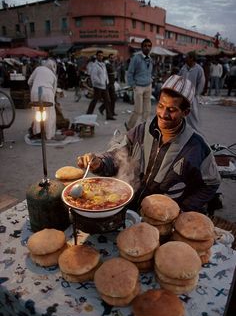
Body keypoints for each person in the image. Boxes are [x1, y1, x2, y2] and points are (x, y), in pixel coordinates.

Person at [77, 75, 221, 214]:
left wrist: (183, 209)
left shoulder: (197, 147)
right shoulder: (140, 131)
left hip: (162, 217)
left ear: (186, 112)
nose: (163, 114)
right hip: (130, 208)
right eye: (161, 106)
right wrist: (99, 162)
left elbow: (211, 183)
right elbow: (116, 157)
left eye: (171, 110)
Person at [125, 38, 153, 130]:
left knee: (147, 110)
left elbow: (149, 71)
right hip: (139, 87)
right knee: (138, 110)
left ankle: (143, 128)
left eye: (149, 46)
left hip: (148, 86)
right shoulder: (136, 58)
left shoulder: (150, 59)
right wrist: (133, 85)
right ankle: (129, 126)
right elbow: (130, 73)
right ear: (141, 47)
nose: (147, 48)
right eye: (145, 46)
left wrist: (150, 79)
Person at [28, 58, 57, 140]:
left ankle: (37, 132)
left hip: (35, 92)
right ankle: (48, 135)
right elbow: (54, 91)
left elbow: (29, 82)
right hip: (48, 93)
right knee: (49, 114)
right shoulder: (53, 75)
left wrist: (35, 85)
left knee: (36, 112)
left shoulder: (38, 69)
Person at [179, 51, 205, 132]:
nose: (185, 58)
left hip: (192, 95)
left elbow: (201, 82)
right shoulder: (183, 68)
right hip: (183, 95)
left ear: (191, 58)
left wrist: (196, 94)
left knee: (193, 114)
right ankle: (183, 130)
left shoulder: (199, 69)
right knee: (181, 114)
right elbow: (179, 79)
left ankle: (195, 132)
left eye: (187, 57)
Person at [86, 50, 115, 120]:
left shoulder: (103, 64)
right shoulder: (94, 65)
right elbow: (94, 76)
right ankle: (88, 114)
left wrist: (106, 81)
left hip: (104, 86)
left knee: (107, 100)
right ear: (96, 56)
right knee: (95, 100)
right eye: (99, 56)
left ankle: (109, 115)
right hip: (98, 86)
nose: (100, 57)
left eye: (102, 56)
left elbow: (105, 74)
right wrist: (100, 82)